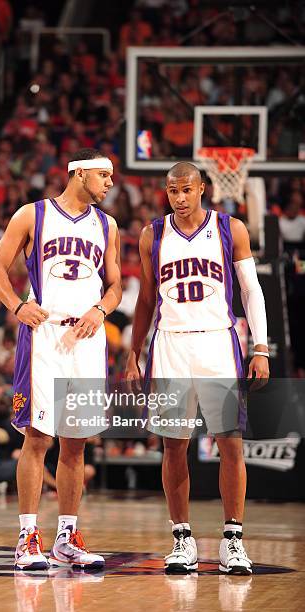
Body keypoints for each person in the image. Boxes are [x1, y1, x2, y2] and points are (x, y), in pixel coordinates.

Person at [126, 162, 269, 576]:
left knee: (230, 443)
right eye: (172, 191)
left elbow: (250, 290)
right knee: (174, 445)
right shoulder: (153, 233)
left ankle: (233, 541)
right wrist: (134, 351)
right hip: (170, 343)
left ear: (203, 188)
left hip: (217, 342)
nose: (180, 197)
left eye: (186, 189)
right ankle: (182, 539)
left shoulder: (231, 228)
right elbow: (146, 299)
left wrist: (259, 346)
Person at [0, 148, 121, 571]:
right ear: (79, 173)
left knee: (76, 442)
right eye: (103, 175)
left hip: (86, 338)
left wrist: (101, 311)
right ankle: (27, 538)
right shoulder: (33, 214)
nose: (109, 183)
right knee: (38, 437)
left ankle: (67, 537)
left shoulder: (108, 225)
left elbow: (115, 286)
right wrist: (15, 305)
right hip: (44, 333)